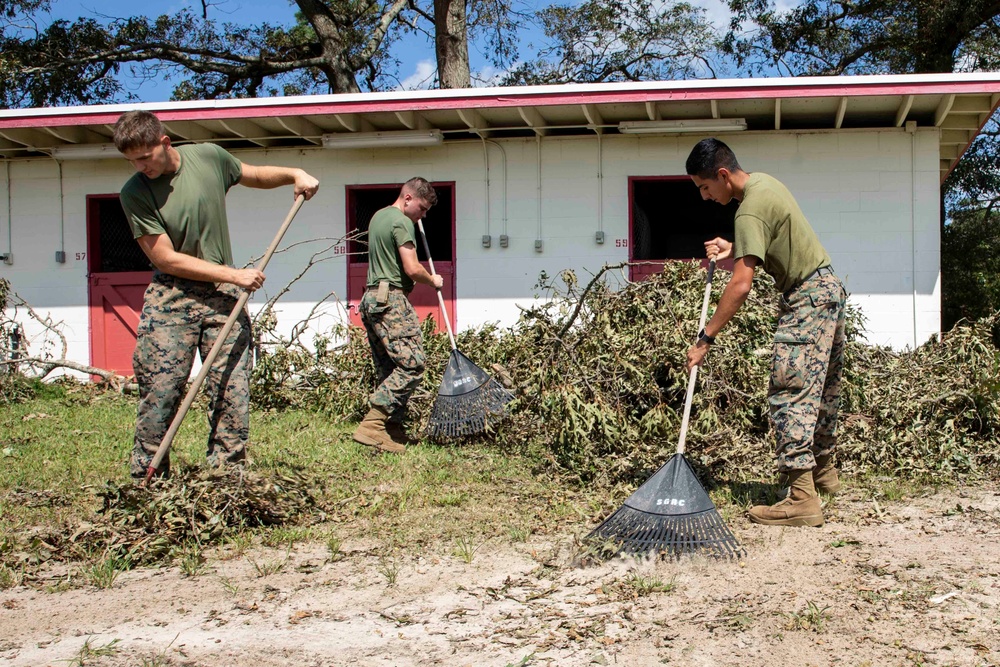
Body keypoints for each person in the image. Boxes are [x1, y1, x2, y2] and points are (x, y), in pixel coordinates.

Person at [113, 110, 319, 482]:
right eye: (132, 161)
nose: (141, 166)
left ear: (165, 142)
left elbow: (251, 173)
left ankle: (225, 480)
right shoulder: (135, 192)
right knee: (161, 392)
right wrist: (233, 274)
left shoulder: (207, 157)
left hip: (224, 295)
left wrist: (294, 174)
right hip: (172, 298)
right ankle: (147, 481)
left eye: (145, 157)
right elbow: (164, 257)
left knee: (231, 388)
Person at [684, 138, 847, 527]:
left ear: (723, 175)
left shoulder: (748, 212)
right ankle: (824, 476)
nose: (705, 197)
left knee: (790, 392)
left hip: (806, 298)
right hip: (828, 290)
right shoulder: (764, 185)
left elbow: (741, 285)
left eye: (705, 187)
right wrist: (734, 246)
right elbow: (764, 238)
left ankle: (803, 500)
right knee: (822, 390)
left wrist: (705, 338)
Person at [352, 177, 443, 454]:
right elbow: (412, 268)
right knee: (413, 364)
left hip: (371, 298)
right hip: (390, 299)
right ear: (407, 199)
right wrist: (432, 280)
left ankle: (390, 430)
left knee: (388, 369)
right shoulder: (402, 222)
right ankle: (372, 424)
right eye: (422, 208)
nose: (423, 216)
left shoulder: (379, 217)